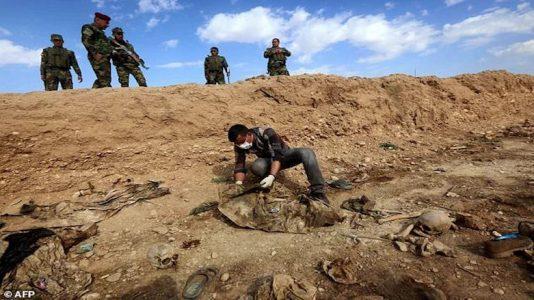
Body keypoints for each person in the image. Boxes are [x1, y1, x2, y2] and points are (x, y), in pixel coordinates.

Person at [227, 124, 329, 203]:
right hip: (269, 162)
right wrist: (238, 184)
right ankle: (267, 181)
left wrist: (272, 176)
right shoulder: (239, 145)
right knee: (257, 166)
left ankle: (318, 192)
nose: (240, 145)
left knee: (307, 152)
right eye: (237, 143)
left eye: (241, 142)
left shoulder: (266, 132)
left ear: (249, 134)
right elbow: (239, 165)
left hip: (285, 157)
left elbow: (277, 155)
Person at [81, 12, 112, 88]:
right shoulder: (89, 27)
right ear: (98, 20)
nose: (107, 25)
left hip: (105, 58)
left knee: (105, 79)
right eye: (106, 22)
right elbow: (86, 40)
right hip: (98, 57)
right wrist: (95, 54)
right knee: (104, 80)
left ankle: (94, 94)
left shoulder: (101, 32)